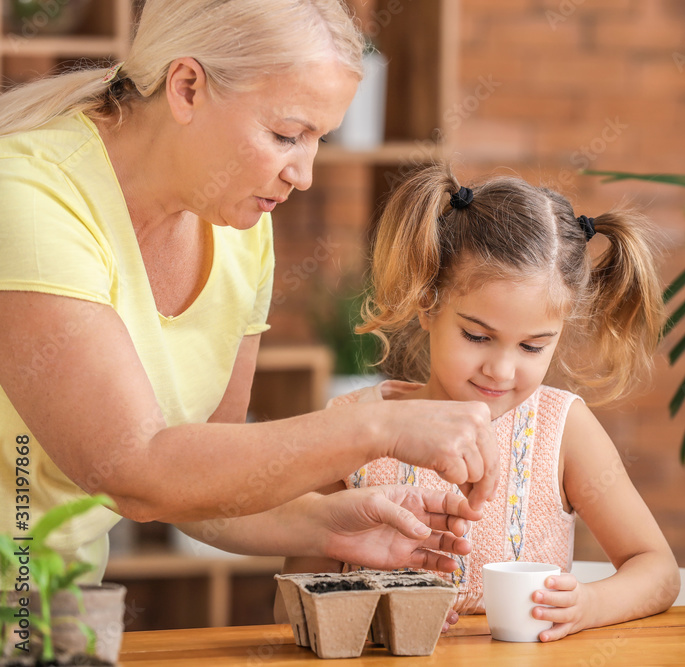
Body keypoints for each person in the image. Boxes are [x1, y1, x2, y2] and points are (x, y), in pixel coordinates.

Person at [0, 0, 499, 587]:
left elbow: (200, 479)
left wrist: (326, 526)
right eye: (287, 134)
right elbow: (134, 473)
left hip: (50, 600)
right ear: (187, 87)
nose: (304, 173)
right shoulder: (28, 197)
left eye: (318, 140)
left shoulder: (239, 227)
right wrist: (376, 428)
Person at [279, 165, 681, 641]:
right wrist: (377, 620)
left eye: (532, 346)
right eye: (477, 335)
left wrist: (588, 605)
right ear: (428, 303)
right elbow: (295, 608)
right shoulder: (355, 426)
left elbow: (657, 569)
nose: (502, 370)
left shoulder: (562, 429)